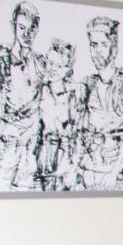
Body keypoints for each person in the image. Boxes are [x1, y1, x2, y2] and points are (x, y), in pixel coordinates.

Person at [0, 0, 45, 191]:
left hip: (29, 150)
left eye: (31, 29)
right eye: (22, 27)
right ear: (14, 26)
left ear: (37, 30)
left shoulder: (41, 64)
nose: (26, 34)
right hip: (4, 147)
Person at [76, 16, 123, 190]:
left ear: (114, 48)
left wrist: (114, 172)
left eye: (103, 45)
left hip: (115, 176)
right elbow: (79, 131)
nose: (97, 51)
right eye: (93, 45)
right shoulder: (86, 84)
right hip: (89, 173)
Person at [37, 38, 79, 190]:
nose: (53, 69)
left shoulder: (72, 95)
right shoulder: (41, 92)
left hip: (64, 158)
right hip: (43, 155)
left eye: (59, 66)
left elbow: (74, 129)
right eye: (50, 63)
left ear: (68, 69)